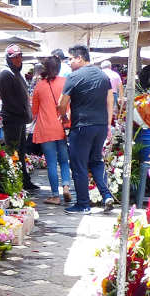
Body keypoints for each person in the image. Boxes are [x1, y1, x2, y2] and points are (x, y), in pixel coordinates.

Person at [59, 45, 115, 214]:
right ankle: (106, 195)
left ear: (80, 58)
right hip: (100, 126)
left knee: (79, 164)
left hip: (82, 126)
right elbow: (110, 101)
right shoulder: (103, 76)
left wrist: (64, 116)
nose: (69, 62)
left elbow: (62, 103)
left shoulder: (73, 77)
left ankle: (83, 204)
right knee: (96, 161)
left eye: (70, 59)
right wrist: (108, 124)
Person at [31, 49, 72, 206]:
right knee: (64, 160)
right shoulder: (65, 83)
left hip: (45, 129)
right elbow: (70, 104)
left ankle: (55, 195)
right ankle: (66, 186)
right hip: (62, 127)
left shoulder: (39, 86)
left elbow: (34, 111)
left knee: (51, 163)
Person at [0, 44, 36, 190]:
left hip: (19, 119)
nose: (18, 59)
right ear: (9, 59)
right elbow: (9, 100)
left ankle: (23, 179)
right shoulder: (6, 74)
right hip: (12, 119)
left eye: (20, 56)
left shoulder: (17, 73)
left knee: (20, 151)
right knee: (12, 151)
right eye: (15, 57)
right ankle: (11, 182)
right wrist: (23, 112)